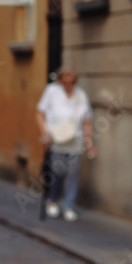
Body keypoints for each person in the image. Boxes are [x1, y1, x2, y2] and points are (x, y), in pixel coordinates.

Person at [35, 67, 97, 222]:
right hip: (57, 140)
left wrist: (89, 143)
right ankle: (53, 200)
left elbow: (87, 122)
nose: (68, 85)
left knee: (73, 173)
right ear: (61, 81)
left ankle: (68, 205)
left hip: (75, 140)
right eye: (65, 82)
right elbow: (39, 114)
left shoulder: (81, 96)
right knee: (56, 171)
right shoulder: (51, 91)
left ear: (75, 82)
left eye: (71, 82)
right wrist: (45, 133)